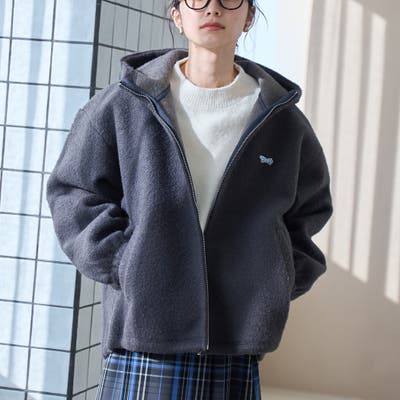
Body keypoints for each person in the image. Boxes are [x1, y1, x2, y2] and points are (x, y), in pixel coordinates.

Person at [46, 0, 334, 398]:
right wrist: (126, 263)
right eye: (196, 0)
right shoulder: (125, 103)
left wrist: (273, 279)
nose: (212, 9)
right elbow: (74, 192)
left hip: (235, 341)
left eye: (229, 0)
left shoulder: (281, 120)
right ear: (177, 16)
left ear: (249, 16)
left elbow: (310, 211)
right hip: (144, 335)